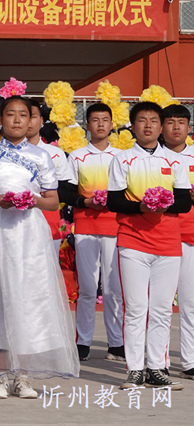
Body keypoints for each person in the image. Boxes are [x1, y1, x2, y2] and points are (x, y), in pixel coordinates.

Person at [0, 96, 79, 399]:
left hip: (30, 234)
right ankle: (1, 377)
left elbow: (53, 201)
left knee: (29, 300)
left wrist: (32, 200)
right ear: (0, 120)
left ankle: (23, 376)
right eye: (10, 114)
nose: (16, 120)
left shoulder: (42, 156)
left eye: (23, 115)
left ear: (32, 120)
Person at [108, 102, 190, 391]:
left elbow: (184, 201)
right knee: (136, 308)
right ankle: (134, 370)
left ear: (161, 126)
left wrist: (164, 203)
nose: (148, 125)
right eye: (142, 120)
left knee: (161, 309)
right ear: (132, 126)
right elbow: (114, 201)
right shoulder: (122, 159)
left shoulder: (175, 161)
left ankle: (156, 368)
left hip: (168, 244)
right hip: (133, 242)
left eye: (154, 120)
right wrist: (141, 206)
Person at [65, 103, 123, 363]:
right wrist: (85, 202)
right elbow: (67, 192)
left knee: (113, 289)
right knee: (88, 287)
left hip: (115, 227)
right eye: (95, 120)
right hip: (86, 228)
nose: (100, 124)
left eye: (105, 120)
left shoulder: (121, 157)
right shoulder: (77, 156)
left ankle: (117, 343)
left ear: (112, 124)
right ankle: (83, 342)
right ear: (87, 125)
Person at [27, 102, 74, 255]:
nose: (28, 121)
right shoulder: (4, 154)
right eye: (23, 116)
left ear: (41, 121)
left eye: (33, 117)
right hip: (15, 222)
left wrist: (42, 194)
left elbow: (65, 191)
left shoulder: (55, 153)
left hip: (48, 222)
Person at [171, 105, 194, 381]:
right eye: (171, 122)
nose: (176, 127)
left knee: (190, 302)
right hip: (160, 238)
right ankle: (158, 362)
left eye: (181, 122)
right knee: (158, 305)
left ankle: (189, 361)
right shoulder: (154, 158)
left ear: (189, 127)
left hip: (190, 237)